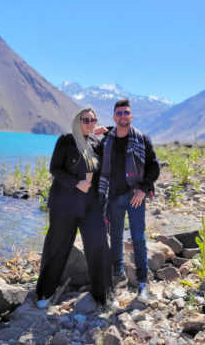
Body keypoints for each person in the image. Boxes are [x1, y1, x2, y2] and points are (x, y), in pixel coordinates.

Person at [36, 107, 117, 309]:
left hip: (90, 204)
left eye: (93, 120)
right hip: (65, 202)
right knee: (57, 246)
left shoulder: (97, 143)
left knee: (99, 244)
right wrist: (75, 183)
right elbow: (55, 168)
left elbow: (119, 140)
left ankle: (105, 295)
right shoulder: (66, 140)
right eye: (86, 120)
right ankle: (45, 292)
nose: (89, 123)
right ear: (77, 121)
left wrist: (105, 131)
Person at [96, 99, 160, 303]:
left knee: (138, 239)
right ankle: (117, 277)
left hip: (134, 197)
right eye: (119, 113)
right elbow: (95, 163)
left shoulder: (142, 139)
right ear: (114, 117)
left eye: (126, 113)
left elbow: (154, 166)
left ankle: (142, 284)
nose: (123, 116)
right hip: (112, 197)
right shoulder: (106, 139)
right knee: (115, 238)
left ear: (131, 116)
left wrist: (144, 189)